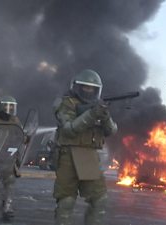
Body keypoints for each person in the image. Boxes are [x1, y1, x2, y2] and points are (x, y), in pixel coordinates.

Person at [53, 69, 118, 225]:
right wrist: (92, 114)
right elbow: (69, 129)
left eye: (92, 88)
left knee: (99, 199)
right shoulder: (65, 103)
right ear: (76, 87)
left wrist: (105, 115)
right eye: (85, 87)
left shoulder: (96, 107)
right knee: (66, 201)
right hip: (67, 154)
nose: (89, 91)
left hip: (88, 155)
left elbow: (112, 130)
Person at [0, 96, 23, 219]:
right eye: (7, 105)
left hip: (7, 156)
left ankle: (8, 207)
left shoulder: (15, 120)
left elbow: (19, 136)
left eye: (12, 106)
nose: (10, 108)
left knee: (10, 181)